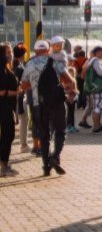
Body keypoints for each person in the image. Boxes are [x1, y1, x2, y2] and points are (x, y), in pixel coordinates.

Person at [20, 39, 76, 176]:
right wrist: (69, 89)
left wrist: (34, 84)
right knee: (60, 131)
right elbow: (69, 80)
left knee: (43, 135)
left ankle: (46, 166)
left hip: (37, 104)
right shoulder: (55, 62)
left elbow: (23, 86)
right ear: (48, 49)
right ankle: (55, 157)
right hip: (56, 102)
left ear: (35, 51)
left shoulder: (29, 64)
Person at [0, 43, 20, 177]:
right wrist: (16, 92)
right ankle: (4, 165)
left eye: (11, 52)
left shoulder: (6, 69)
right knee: (8, 134)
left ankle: (4, 163)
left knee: (8, 135)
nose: (10, 55)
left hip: (7, 107)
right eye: (7, 53)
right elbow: (1, 92)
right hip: (3, 107)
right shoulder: (1, 71)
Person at [82, 46, 102, 133]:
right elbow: (100, 73)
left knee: (96, 106)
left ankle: (97, 125)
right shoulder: (96, 61)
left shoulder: (91, 60)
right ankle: (96, 126)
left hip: (93, 87)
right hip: (99, 87)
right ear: (97, 52)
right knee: (99, 106)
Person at [13, 43, 30, 153]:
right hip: (21, 96)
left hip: (15, 97)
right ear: (23, 54)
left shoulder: (12, 65)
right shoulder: (20, 67)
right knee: (24, 120)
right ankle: (23, 145)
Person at [73, 48, 89, 127]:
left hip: (78, 77)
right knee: (84, 91)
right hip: (85, 77)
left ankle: (79, 104)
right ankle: (84, 104)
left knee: (79, 90)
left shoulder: (76, 60)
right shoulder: (86, 59)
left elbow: (75, 69)